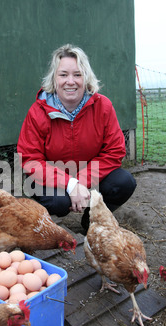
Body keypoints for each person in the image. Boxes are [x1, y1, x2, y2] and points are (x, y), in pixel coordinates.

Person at [17, 44, 136, 231]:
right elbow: (30, 159)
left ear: (86, 78)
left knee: (124, 182)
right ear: (54, 79)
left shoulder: (103, 107)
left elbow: (115, 151)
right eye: (63, 74)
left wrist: (80, 182)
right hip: (53, 177)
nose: (70, 81)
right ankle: (49, 229)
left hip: (88, 173)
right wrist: (69, 184)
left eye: (77, 74)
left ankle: (92, 221)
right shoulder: (37, 112)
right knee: (58, 202)